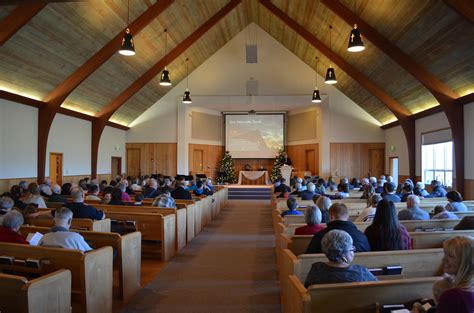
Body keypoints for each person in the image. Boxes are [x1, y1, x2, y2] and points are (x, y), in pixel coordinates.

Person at [304, 230, 377, 287]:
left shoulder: (316, 270)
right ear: (343, 254)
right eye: (351, 249)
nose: (353, 252)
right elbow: (377, 288)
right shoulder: (361, 272)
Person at [429, 236, 474, 313]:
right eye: (445, 254)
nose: (444, 259)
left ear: (464, 262)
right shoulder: (468, 289)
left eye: (450, 256)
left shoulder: (453, 296)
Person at [305, 203, 371, 254]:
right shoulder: (361, 236)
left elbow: (308, 258)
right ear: (347, 216)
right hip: (359, 271)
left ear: (331, 216)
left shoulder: (319, 236)